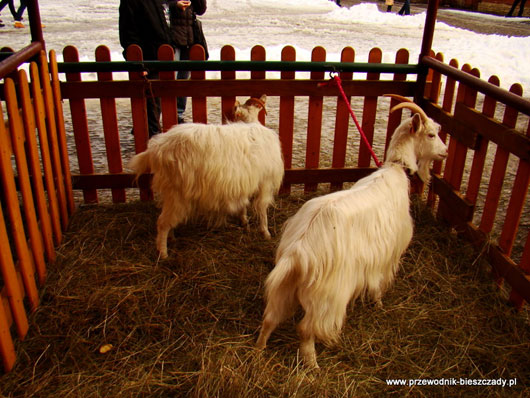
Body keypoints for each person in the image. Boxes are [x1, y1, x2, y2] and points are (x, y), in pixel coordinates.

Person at [119, 0, 175, 137]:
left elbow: (162, 29)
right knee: (151, 116)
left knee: (155, 110)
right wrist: (140, 64)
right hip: (147, 64)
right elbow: (128, 36)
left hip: (159, 62)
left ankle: (148, 141)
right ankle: (149, 146)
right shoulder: (131, 3)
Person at [168, 0, 207, 124]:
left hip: (189, 38)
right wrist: (175, 4)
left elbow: (201, 10)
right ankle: (166, 112)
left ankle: (179, 113)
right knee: (170, 77)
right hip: (172, 38)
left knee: (184, 78)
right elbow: (160, 5)